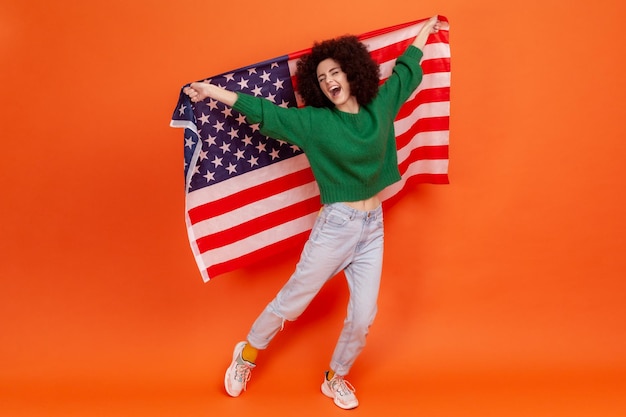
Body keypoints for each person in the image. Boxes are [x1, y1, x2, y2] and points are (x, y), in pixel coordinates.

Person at [184, 15, 441, 410]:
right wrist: (213, 91)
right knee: (293, 302)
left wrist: (427, 29)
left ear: (353, 72)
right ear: (317, 88)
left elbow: (407, 68)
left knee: (364, 315)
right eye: (321, 78)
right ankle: (247, 353)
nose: (329, 81)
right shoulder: (315, 123)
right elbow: (267, 113)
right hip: (336, 227)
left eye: (335, 72)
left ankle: (335, 377)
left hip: (373, 227)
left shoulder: (380, 107)